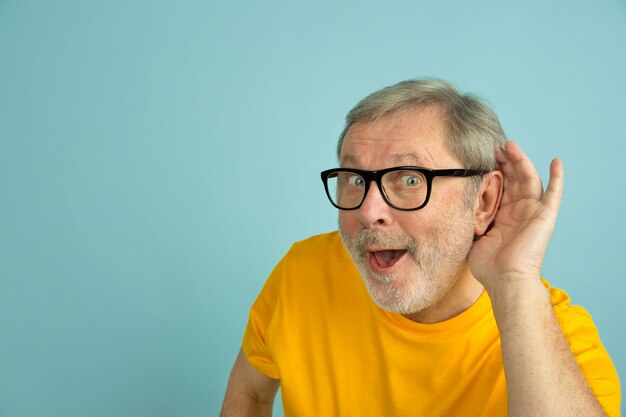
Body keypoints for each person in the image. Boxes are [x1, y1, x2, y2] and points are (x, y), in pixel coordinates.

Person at [220, 79, 621, 416]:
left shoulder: (556, 340)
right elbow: (251, 392)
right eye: (355, 178)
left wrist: (515, 282)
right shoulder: (302, 273)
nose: (368, 210)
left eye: (409, 179)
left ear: (482, 202)